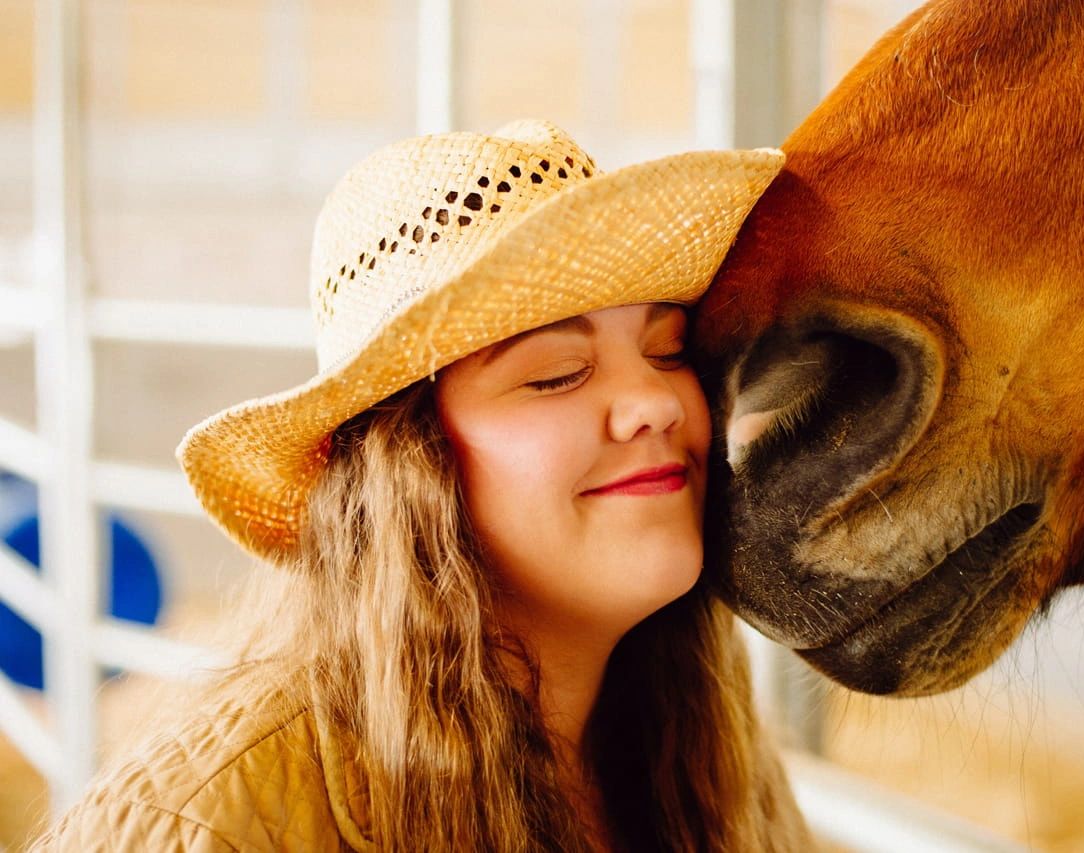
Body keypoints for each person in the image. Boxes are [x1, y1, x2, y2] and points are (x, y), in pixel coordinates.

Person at [33, 120, 811, 851]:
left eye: (668, 350)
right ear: (406, 463)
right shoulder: (198, 823)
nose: (655, 402)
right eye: (556, 373)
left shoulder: (710, 742)